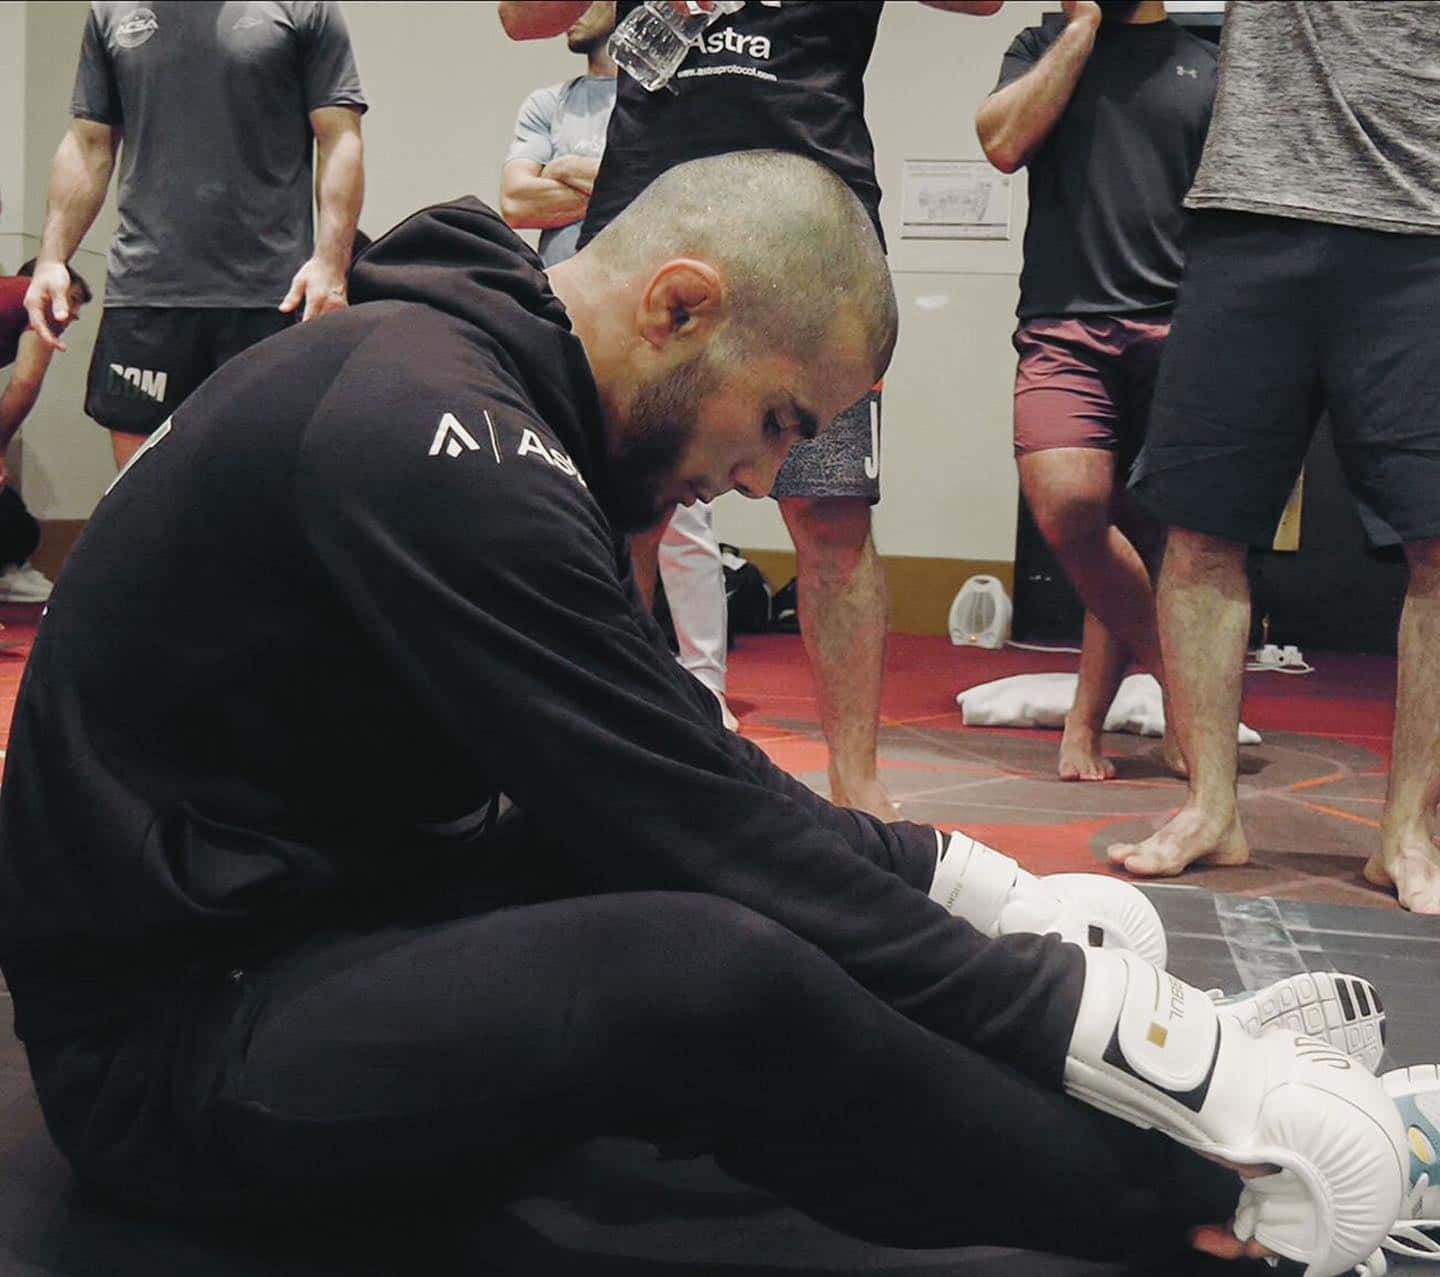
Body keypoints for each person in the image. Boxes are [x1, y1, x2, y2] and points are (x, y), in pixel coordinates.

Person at [0, 151, 1409, 1276]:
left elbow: (682, 771)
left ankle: (1146, 1091)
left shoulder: (468, 389)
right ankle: (1224, 1204)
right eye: (784, 420)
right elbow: (702, 836)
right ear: (679, 307)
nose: (758, 478)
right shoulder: (443, 441)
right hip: (175, 1049)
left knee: (700, 879)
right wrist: (1157, 1052)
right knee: (710, 966)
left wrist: (966, 886)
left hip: (301, 915)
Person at [500, 0, 1012, 819]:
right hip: (650, 216)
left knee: (832, 518)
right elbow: (523, 17)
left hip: (814, 222)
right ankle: (596, 774)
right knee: (617, 515)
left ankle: (858, 790)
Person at [1106, 0, 1440, 916]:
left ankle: (1408, 831)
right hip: (1249, 217)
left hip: (1424, 224)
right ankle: (1210, 806)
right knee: (1202, 524)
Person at [976, 0, 1216, 780]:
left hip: (1179, 329)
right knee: (1072, 508)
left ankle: (1084, 727)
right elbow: (1003, 143)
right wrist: (1079, 28)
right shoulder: (1041, 43)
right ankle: (1188, 703)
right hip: (1063, 325)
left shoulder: (1209, 63)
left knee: (1147, 541)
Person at [501, 2, 736, 728]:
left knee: (678, 517)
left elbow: (676, 200)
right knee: (567, 499)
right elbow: (515, 200)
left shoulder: (675, 88)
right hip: (561, 320)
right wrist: (613, 181)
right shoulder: (549, 103)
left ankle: (706, 686)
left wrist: (570, 180)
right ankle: (608, 673)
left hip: (654, 326)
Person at [24, 0, 366, 472]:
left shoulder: (303, 7)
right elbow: (89, 143)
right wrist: (51, 260)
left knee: (261, 493)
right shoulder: (111, 11)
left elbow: (339, 137)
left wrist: (332, 264)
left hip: (271, 298)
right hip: (146, 297)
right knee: (142, 495)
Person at [0, 259, 95, 602]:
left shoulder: (8, 303)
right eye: (72, 298)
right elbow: (26, 382)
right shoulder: (35, 299)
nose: (72, 314)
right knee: (15, 522)